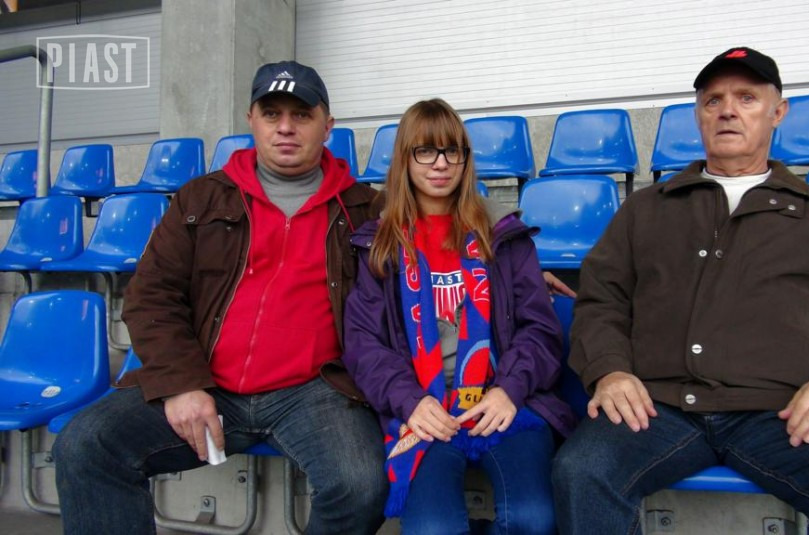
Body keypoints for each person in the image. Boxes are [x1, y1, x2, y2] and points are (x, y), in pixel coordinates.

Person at [552, 47, 809, 534]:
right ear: (699, 116)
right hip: (657, 406)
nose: (727, 110)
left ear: (778, 112)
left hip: (781, 411)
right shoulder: (645, 209)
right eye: (713, 101)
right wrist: (609, 371)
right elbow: (601, 299)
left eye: (746, 98)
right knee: (580, 471)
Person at [54, 60, 388, 535]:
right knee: (86, 445)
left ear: (327, 126)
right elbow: (151, 296)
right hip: (207, 382)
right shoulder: (201, 198)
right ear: (252, 121)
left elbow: (420, 278)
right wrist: (181, 384)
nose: (286, 127)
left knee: (360, 486)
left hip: (315, 392)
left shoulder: (366, 209)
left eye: (302, 114)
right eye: (271, 114)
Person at [342, 98, 575, 534]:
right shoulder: (379, 246)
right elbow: (363, 344)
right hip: (424, 408)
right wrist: (410, 401)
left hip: (502, 402)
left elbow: (540, 330)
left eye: (453, 151)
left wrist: (509, 389)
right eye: (425, 151)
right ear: (405, 158)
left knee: (532, 518)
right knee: (433, 529)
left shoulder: (503, 235)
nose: (441, 163)